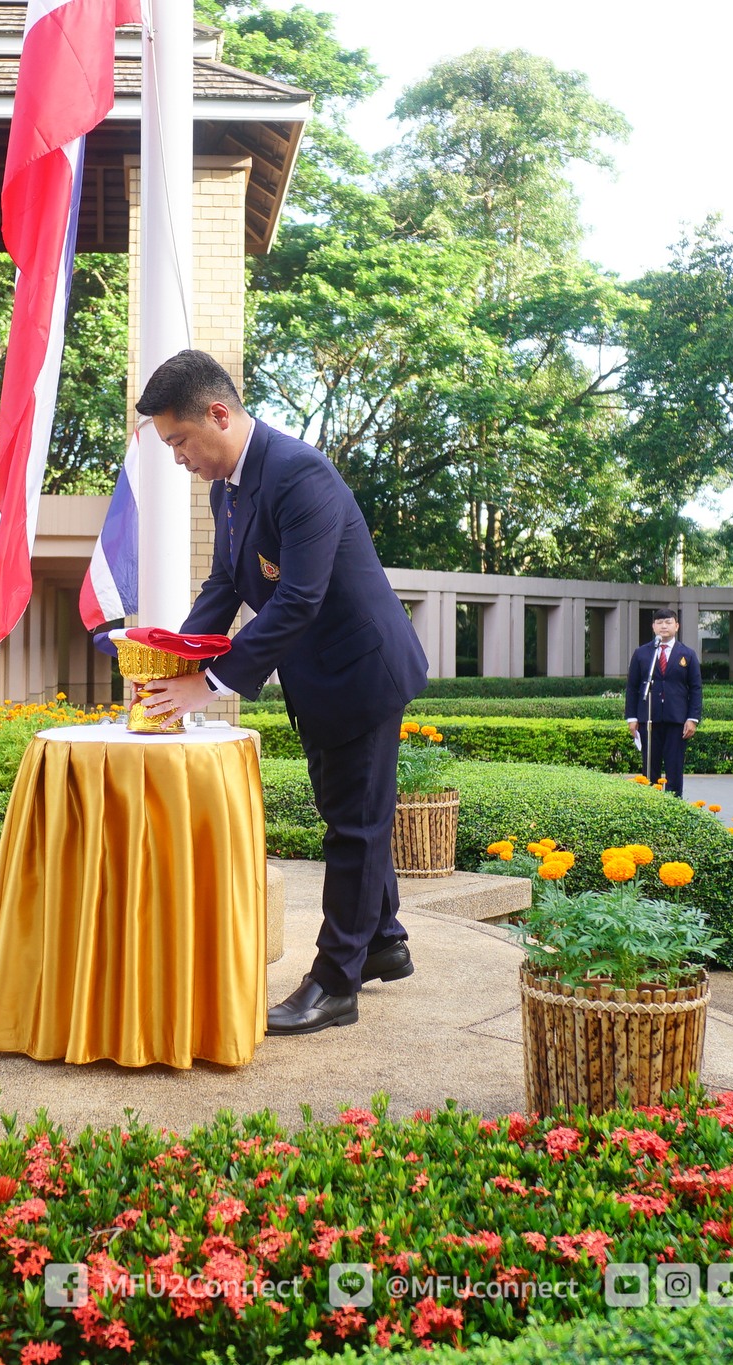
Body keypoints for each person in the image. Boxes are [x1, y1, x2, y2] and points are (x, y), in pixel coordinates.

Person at [132, 349, 430, 1037]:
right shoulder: (226, 491)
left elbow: (296, 600)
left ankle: (335, 982)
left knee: (353, 827)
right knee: (347, 811)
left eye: (179, 441)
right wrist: (170, 659)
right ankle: (382, 938)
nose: (179, 458)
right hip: (318, 676)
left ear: (218, 413)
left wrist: (204, 686)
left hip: (363, 672)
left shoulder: (299, 475)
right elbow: (227, 588)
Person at [624, 607, 702, 798]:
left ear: (677, 626)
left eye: (668, 622)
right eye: (659, 623)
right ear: (653, 627)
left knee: (674, 766)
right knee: (650, 765)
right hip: (648, 719)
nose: (664, 626)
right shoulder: (642, 653)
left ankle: (675, 805)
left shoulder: (688, 654)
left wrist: (692, 718)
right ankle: (651, 805)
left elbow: (696, 688)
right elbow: (632, 687)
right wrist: (632, 718)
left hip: (677, 720)